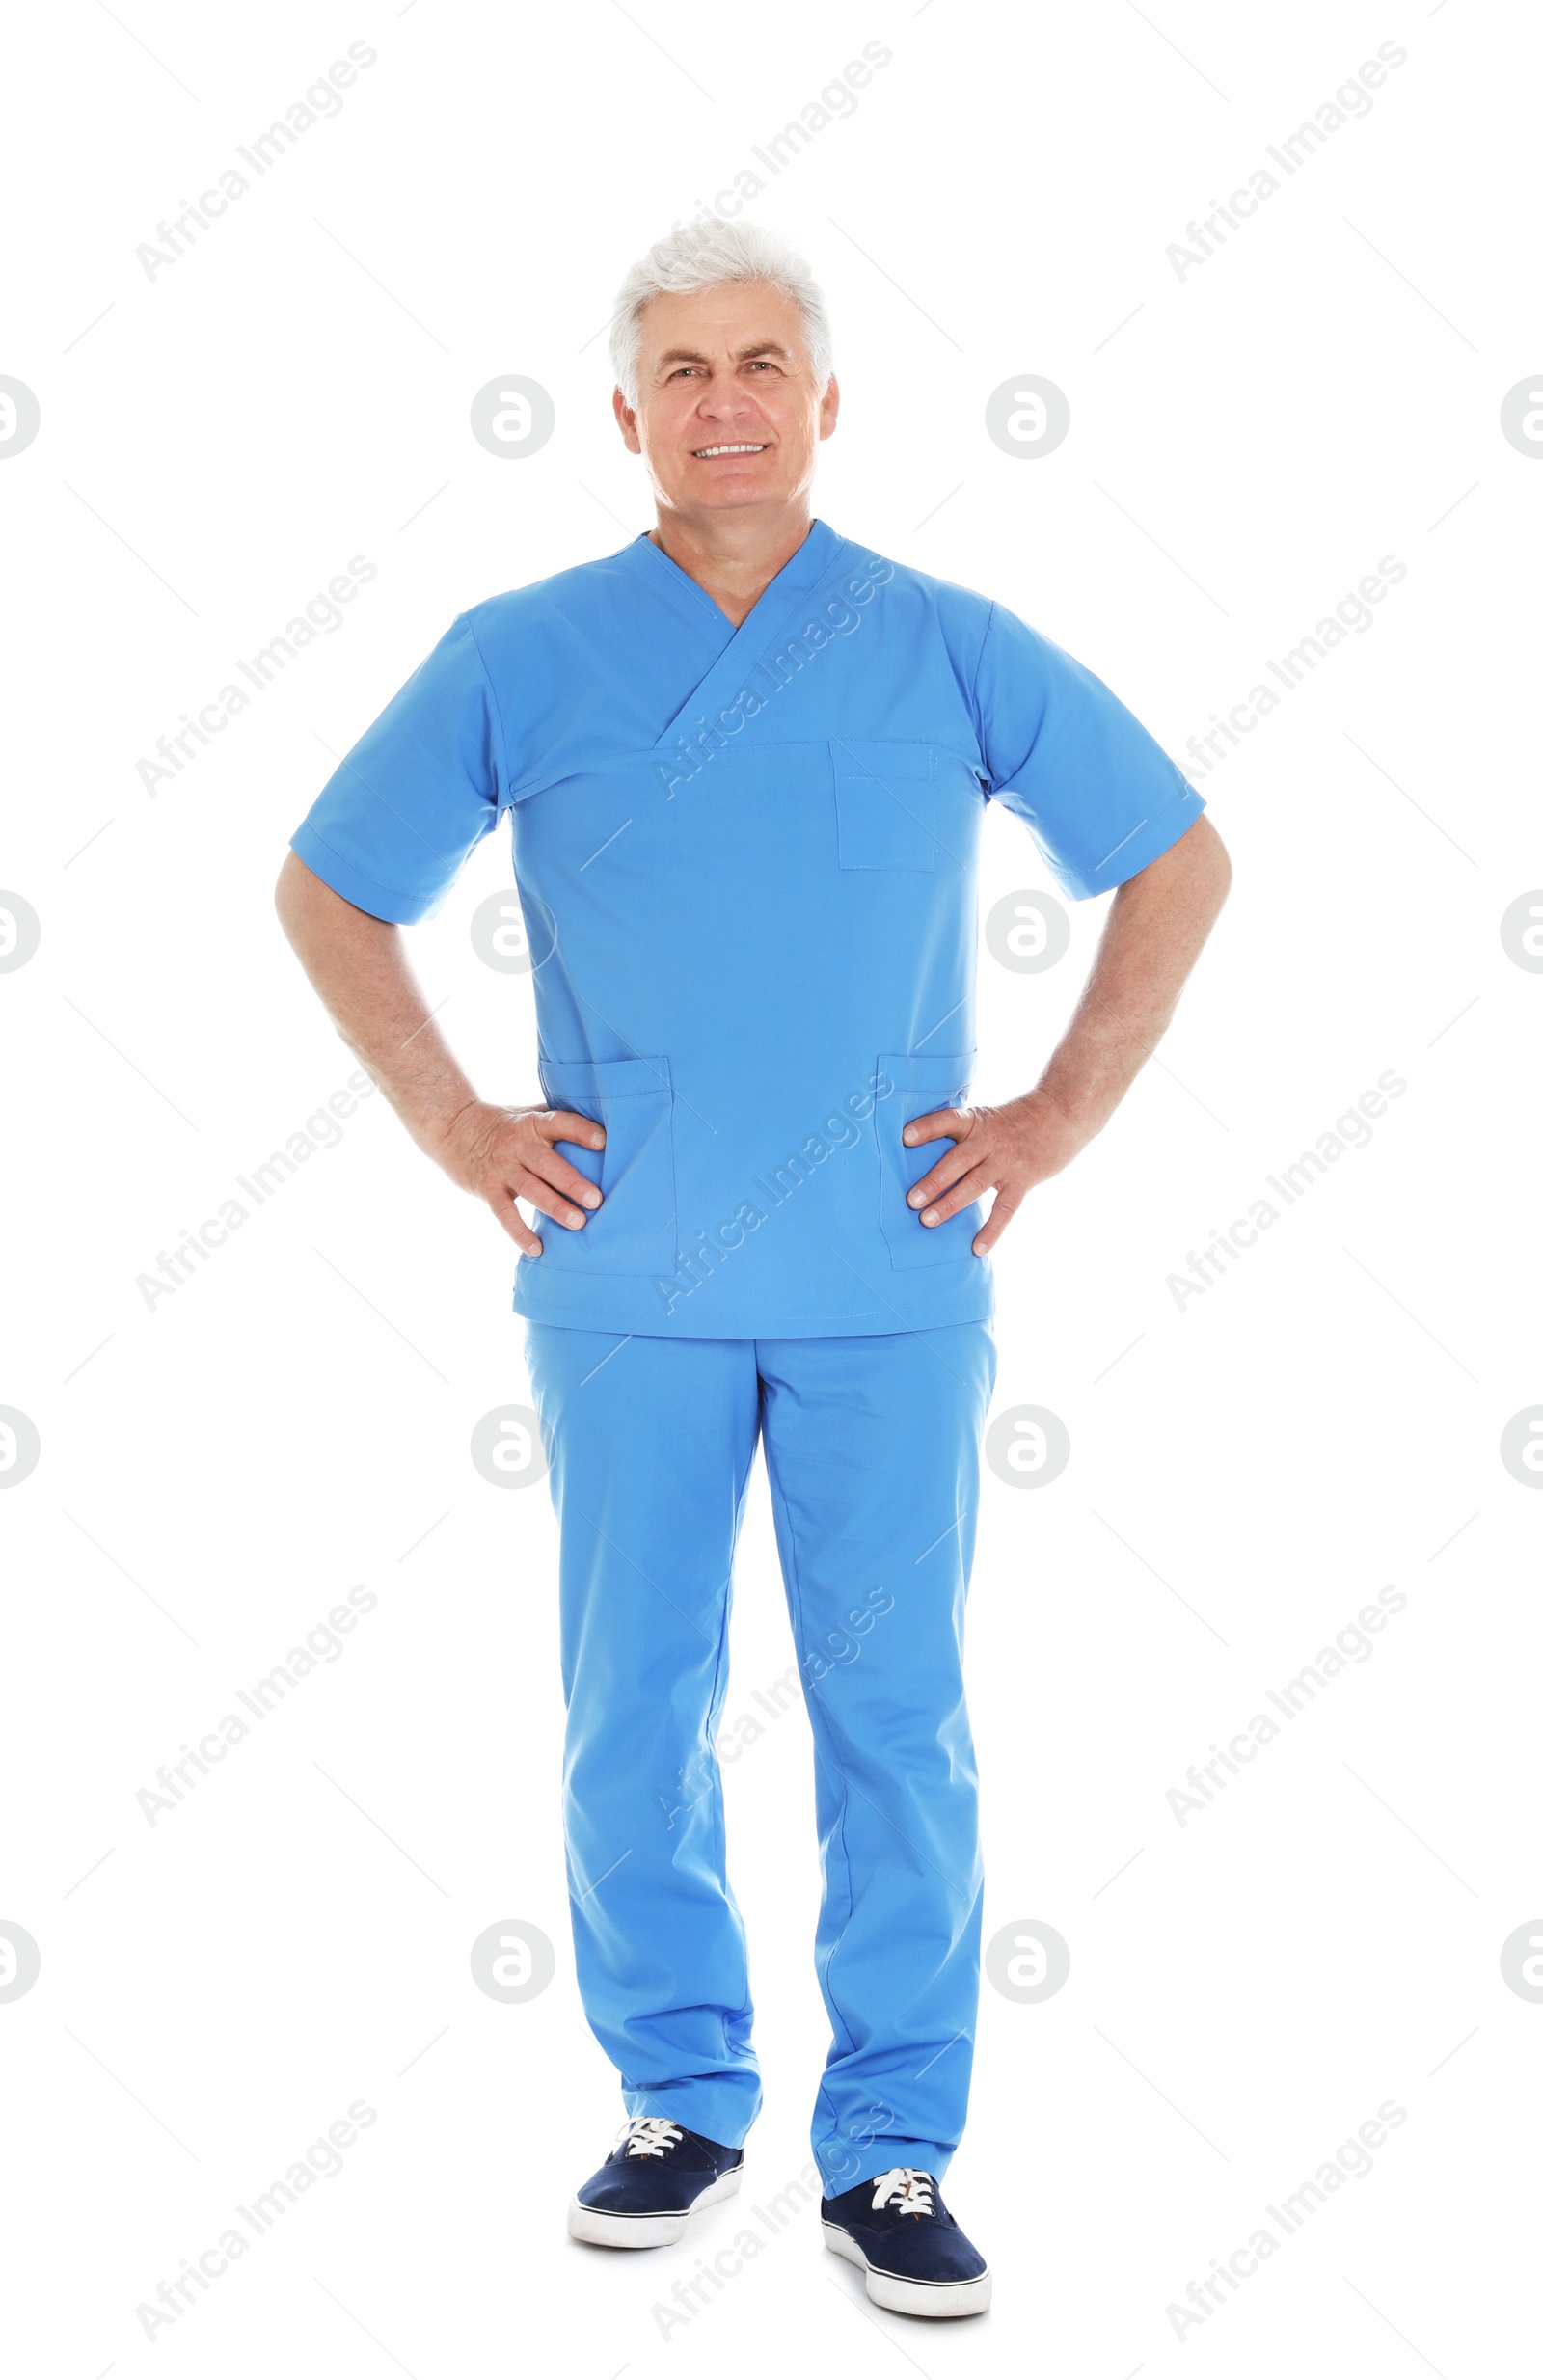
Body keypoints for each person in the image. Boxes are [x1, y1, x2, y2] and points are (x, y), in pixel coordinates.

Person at [276, 218, 1231, 2320]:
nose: (725, 400)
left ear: (824, 402)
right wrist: (457, 1126)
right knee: (637, 1704)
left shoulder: (940, 640)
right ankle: (678, 2096)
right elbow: (331, 887)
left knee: (899, 1711)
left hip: (888, 1278)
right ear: (626, 414)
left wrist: (1053, 1116)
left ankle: (889, 2146)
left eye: (761, 363)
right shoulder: (521, 654)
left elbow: (1173, 854)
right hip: (622, 1281)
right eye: (684, 369)